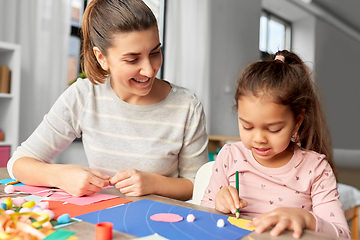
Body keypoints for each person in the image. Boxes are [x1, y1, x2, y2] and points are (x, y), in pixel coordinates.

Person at [7, 0, 208, 201]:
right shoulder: (84, 96)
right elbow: (18, 163)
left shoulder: (186, 106)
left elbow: (199, 185)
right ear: (101, 58)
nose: (149, 70)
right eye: (132, 59)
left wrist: (155, 183)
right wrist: (62, 176)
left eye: (155, 52)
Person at [201, 50, 350, 239]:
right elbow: (203, 213)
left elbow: (342, 235)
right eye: (247, 126)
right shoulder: (230, 156)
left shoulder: (316, 169)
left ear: (297, 121)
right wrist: (218, 203)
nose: (259, 139)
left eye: (273, 129)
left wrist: (306, 219)